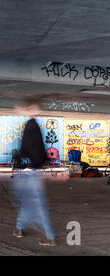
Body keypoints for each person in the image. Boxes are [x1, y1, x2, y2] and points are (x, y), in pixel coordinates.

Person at [10, 98, 56, 246]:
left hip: (29, 172)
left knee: (36, 204)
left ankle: (50, 237)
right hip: (32, 171)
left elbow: (28, 149)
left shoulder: (31, 126)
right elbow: (40, 150)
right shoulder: (34, 125)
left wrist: (19, 159)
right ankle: (19, 228)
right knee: (28, 203)